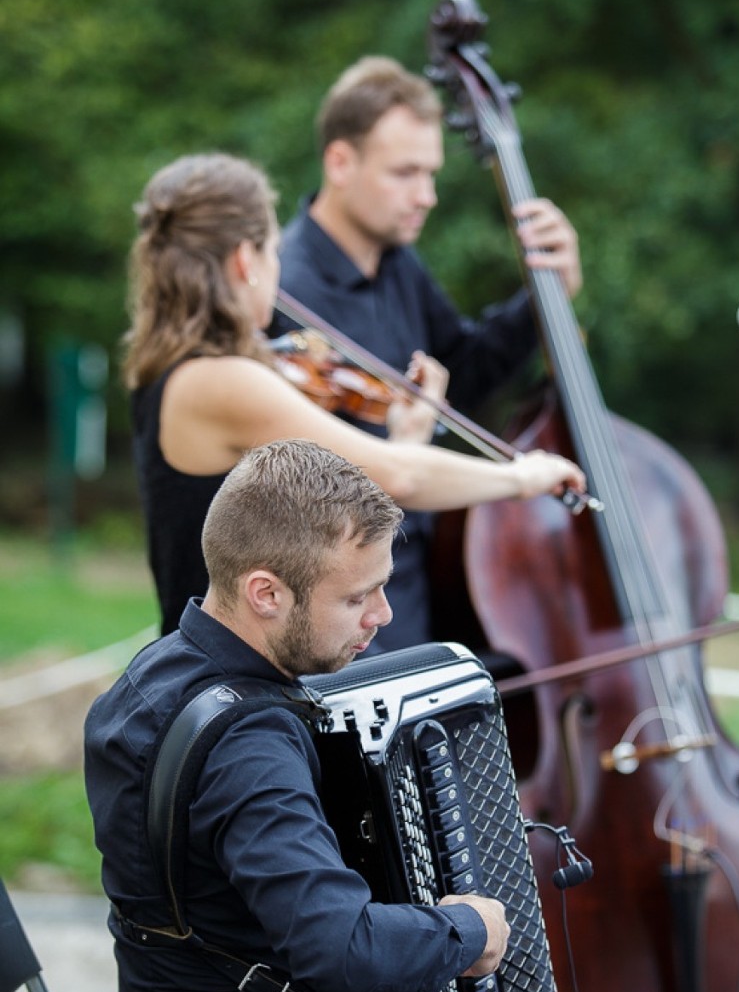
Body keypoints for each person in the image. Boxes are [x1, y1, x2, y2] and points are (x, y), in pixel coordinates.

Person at [84, 438, 691, 992]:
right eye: (358, 596)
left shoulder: (156, 677)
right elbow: (339, 949)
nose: (384, 615)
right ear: (266, 592)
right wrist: (467, 925)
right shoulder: (249, 743)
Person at [126, 151, 585, 638]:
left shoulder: (185, 372)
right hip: (225, 683)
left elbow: (323, 527)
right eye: (272, 251)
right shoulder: (218, 381)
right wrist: (522, 475)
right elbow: (402, 478)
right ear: (245, 260)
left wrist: (404, 440)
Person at [268, 55, 584, 651]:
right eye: (405, 173)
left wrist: (546, 294)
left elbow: (465, 377)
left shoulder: (399, 266)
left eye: (431, 173)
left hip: (419, 585)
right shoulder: (283, 288)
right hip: (331, 613)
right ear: (340, 161)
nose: (428, 196)